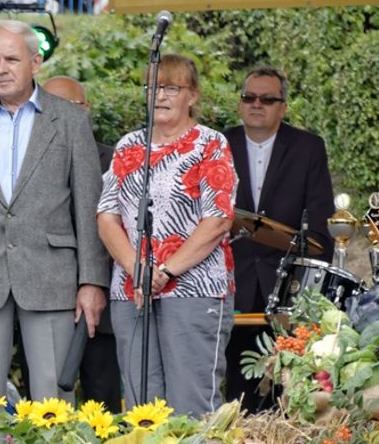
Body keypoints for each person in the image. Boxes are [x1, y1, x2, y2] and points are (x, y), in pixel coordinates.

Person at [0, 20, 108, 404]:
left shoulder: (71, 120)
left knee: (52, 402)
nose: (1, 68)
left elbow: (88, 205)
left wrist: (92, 281)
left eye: (11, 58)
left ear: (36, 62)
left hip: (52, 273)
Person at [97, 54, 236, 417]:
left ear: (192, 96)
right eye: (152, 87)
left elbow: (218, 219)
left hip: (193, 289)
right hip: (132, 290)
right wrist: (137, 269)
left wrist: (167, 271)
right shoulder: (129, 146)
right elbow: (107, 215)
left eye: (171, 87)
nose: (159, 95)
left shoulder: (210, 144)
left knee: (192, 406)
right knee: (143, 407)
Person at [222, 66, 333, 411]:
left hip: (286, 287)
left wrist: (307, 281)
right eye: (249, 97)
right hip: (229, 281)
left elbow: (321, 222)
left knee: (285, 391)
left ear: (283, 107)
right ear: (240, 104)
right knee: (233, 392)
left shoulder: (308, 148)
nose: (257, 104)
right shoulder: (218, 144)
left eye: (267, 99)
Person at [41, 75, 122, 410]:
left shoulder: (116, 160)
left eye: (68, 106)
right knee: (45, 406)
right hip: (43, 303)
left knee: (103, 408)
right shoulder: (22, 166)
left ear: (86, 110)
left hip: (100, 310)